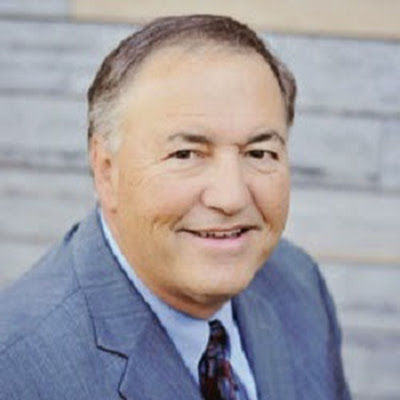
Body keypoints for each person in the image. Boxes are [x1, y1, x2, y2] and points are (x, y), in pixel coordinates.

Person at [0, 14, 351, 400]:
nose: (231, 197)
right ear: (106, 171)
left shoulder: (298, 282)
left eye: (259, 152)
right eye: (186, 154)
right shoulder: (15, 370)